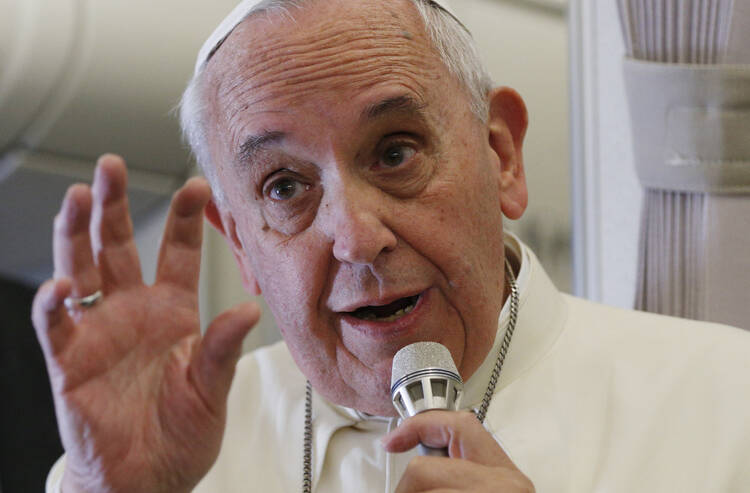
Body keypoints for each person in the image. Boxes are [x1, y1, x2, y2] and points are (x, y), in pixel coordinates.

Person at [32, 0, 750, 492]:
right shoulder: (170, 455)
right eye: (285, 187)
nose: (355, 237)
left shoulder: (726, 402)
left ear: (502, 157)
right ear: (243, 248)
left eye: (396, 151)